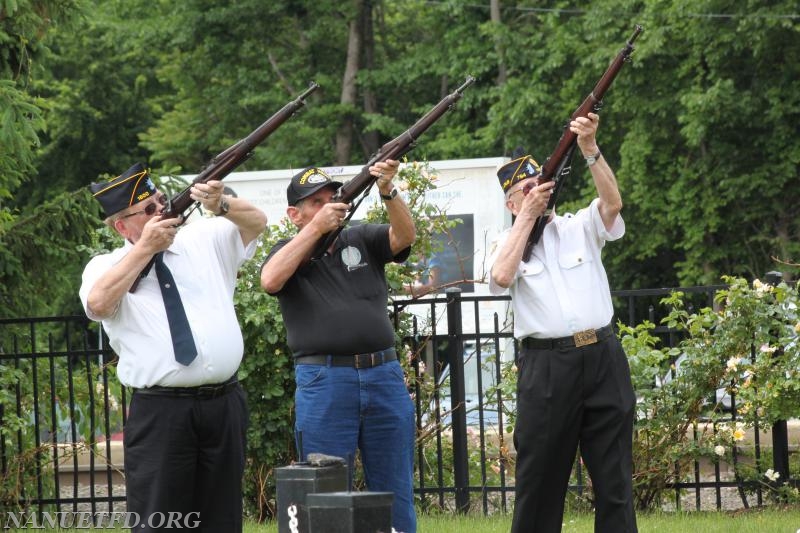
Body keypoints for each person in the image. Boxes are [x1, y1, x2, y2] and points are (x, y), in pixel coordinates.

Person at [79, 163, 267, 532]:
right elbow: (99, 305)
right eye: (148, 210)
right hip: (162, 412)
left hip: (223, 405)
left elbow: (257, 222)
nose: (161, 212)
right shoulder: (107, 265)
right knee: (159, 519)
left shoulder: (204, 238)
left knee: (222, 518)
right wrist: (145, 250)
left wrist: (222, 204)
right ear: (122, 226)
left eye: (161, 201)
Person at [488, 113, 637, 533]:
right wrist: (527, 220)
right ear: (511, 203)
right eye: (526, 190)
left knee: (614, 481)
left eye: (541, 183)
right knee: (540, 484)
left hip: (603, 357)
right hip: (548, 368)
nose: (538, 193)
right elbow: (501, 276)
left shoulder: (579, 226)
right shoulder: (507, 243)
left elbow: (613, 204)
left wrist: (589, 147)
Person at [260, 161, 417, 533]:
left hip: (384, 374)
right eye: (316, 202)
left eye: (332, 197)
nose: (329, 205)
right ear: (294, 214)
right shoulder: (290, 250)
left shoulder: (360, 237)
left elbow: (404, 236)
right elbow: (270, 280)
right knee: (326, 489)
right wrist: (316, 229)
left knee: (395, 486)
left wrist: (388, 189)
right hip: (325, 378)